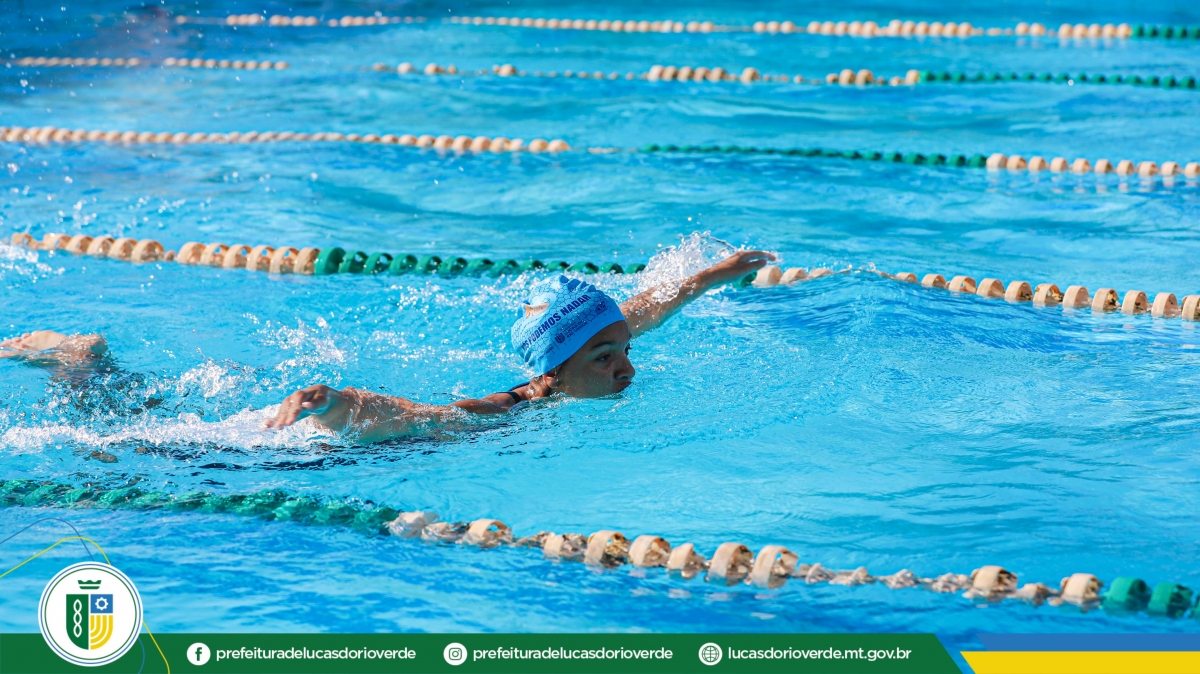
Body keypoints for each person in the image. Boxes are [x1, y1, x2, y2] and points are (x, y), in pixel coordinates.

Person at [265, 250, 774, 443]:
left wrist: (709, 276)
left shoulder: (584, 353)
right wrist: (336, 404)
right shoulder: (506, 412)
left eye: (625, 351)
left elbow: (640, 312)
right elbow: (417, 416)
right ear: (551, 372)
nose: (627, 370)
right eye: (605, 358)